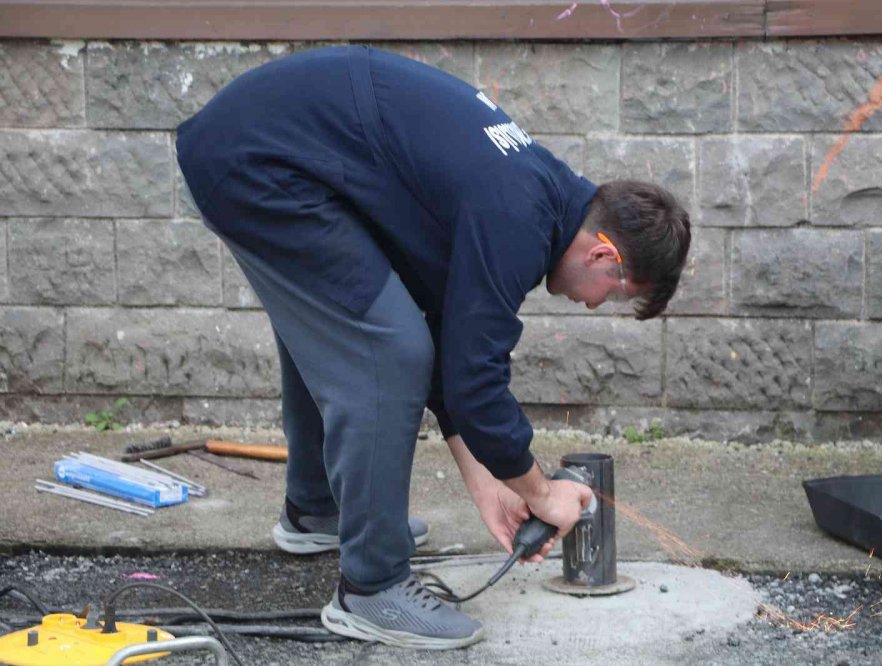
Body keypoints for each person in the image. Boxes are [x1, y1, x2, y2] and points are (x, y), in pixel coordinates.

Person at [176, 44, 691, 650]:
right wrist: (539, 491)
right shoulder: (517, 216)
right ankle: (373, 590)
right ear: (604, 253)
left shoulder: (537, 194)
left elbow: (453, 340)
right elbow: (474, 378)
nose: (597, 303)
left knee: (346, 322)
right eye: (616, 291)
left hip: (263, 148)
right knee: (384, 348)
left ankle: (318, 511)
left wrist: (491, 484)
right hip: (256, 162)